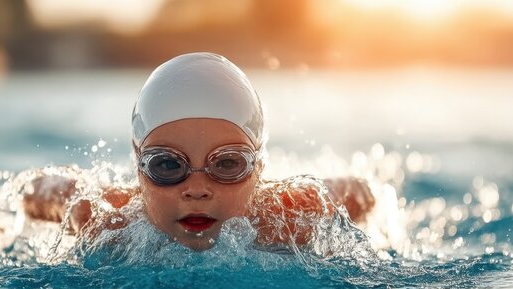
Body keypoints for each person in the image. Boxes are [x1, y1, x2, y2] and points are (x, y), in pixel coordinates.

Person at [22, 52, 375, 252]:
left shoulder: (285, 220)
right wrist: (49, 193)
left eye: (227, 164)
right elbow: (37, 193)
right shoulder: (111, 222)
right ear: (138, 164)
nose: (196, 189)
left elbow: (358, 193)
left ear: (259, 166)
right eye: (167, 165)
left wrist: (343, 194)